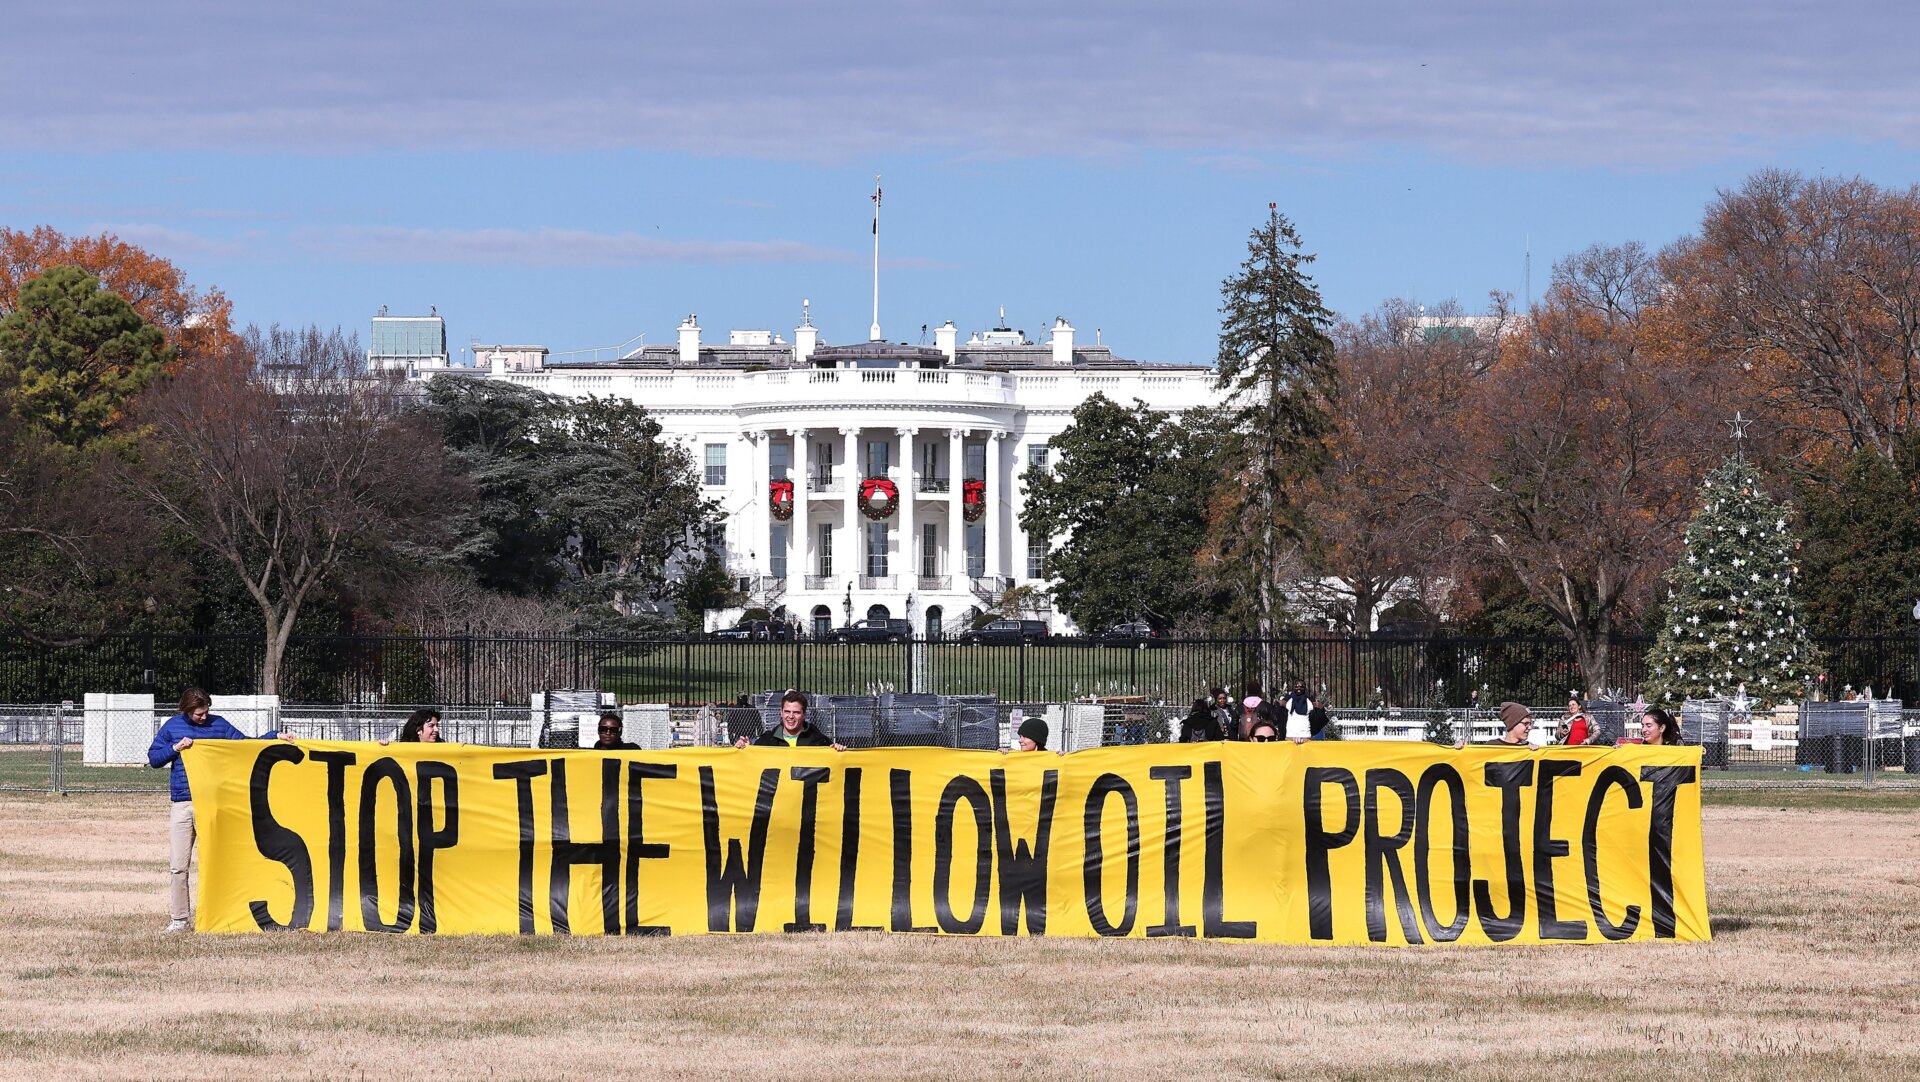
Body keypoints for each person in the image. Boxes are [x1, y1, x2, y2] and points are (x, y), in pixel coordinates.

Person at [146, 687, 278, 933]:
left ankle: (223, 916)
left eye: (206, 712)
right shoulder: (172, 727)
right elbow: (154, 759)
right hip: (183, 804)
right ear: (186, 710)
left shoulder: (219, 725)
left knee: (221, 862)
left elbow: (245, 746)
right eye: (199, 714)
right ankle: (179, 920)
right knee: (178, 865)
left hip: (215, 804)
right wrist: (175, 748)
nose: (204, 717)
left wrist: (275, 736)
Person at [736, 690, 845, 750]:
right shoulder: (767, 740)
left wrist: (838, 750)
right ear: (781, 713)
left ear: (804, 715)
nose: (791, 716)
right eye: (787, 711)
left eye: (796, 712)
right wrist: (746, 748)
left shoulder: (819, 741)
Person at [1459, 701, 1533, 748]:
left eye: (1530, 723)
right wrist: (1461, 750)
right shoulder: (1492, 747)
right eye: (1526, 723)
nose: (1530, 727)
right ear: (1513, 723)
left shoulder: (1528, 748)